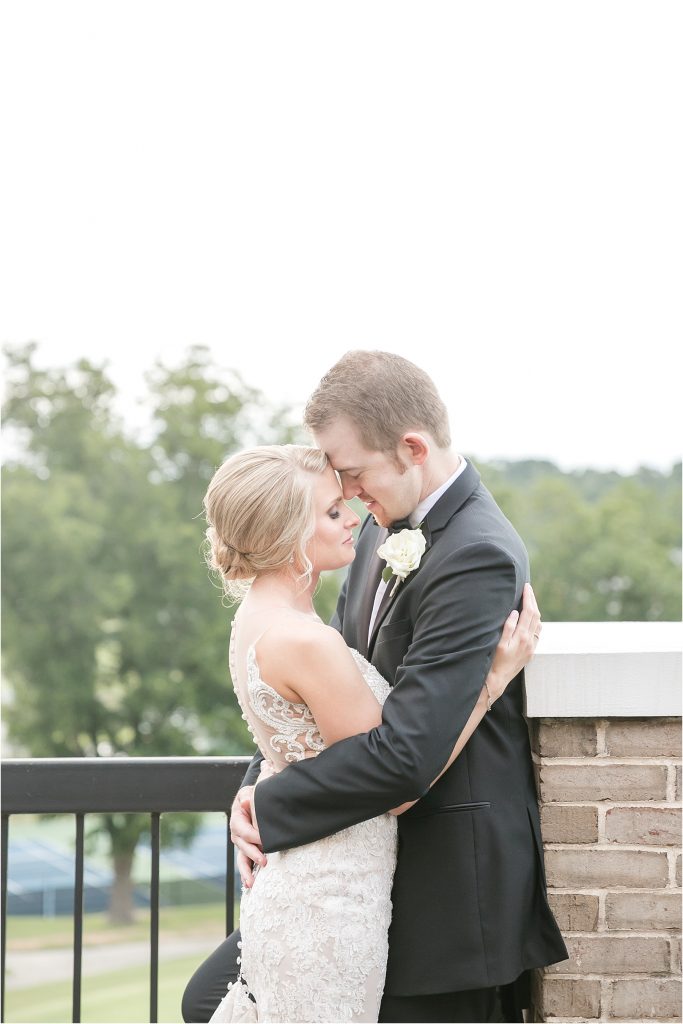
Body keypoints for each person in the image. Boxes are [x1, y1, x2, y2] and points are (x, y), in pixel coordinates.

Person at [183, 351, 567, 1024]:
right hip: (354, 873)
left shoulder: (474, 551)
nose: (348, 495)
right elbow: (313, 695)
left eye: (352, 474)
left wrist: (271, 804)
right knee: (210, 1001)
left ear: (411, 447)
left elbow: (404, 755)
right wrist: (259, 780)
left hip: (445, 889)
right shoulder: (374, 537)